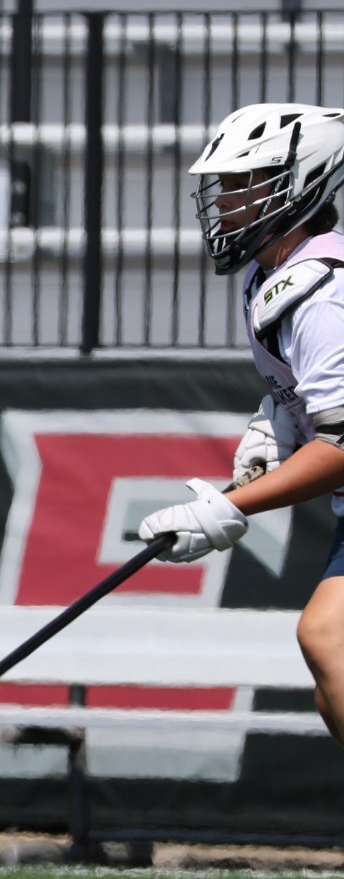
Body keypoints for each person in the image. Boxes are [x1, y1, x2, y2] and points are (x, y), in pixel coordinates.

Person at [138, 102, 344, 744]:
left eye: (238, 184)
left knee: (328, 637)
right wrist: (276, 422)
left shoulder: (323, 288)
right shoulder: (272, 274)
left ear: (299, 180)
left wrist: (229, 509)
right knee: (332, 667)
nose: (223, 202)